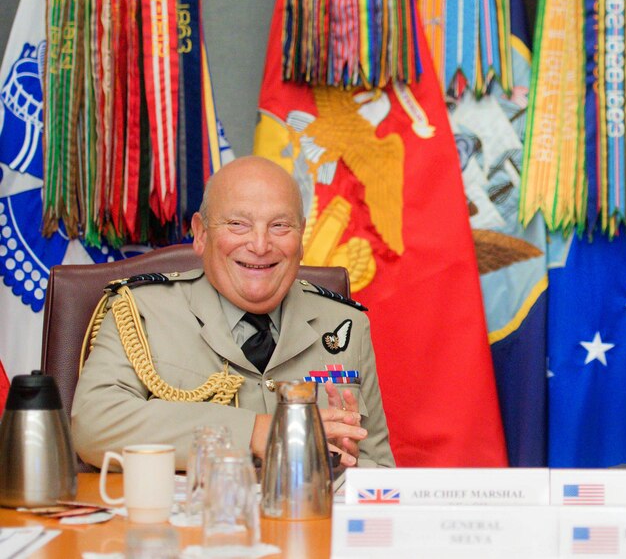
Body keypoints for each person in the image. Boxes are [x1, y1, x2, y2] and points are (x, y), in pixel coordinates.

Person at [72, 156, 394, 469]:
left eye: (280, 226)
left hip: (306, 519)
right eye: (238, 224)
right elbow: (94, 424)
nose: (259, 244)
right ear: (201, 234)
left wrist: (342, 467)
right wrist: (254, 432)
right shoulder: (142, 312)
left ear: (301, 237)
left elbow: (379, 469)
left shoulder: (346, 325)